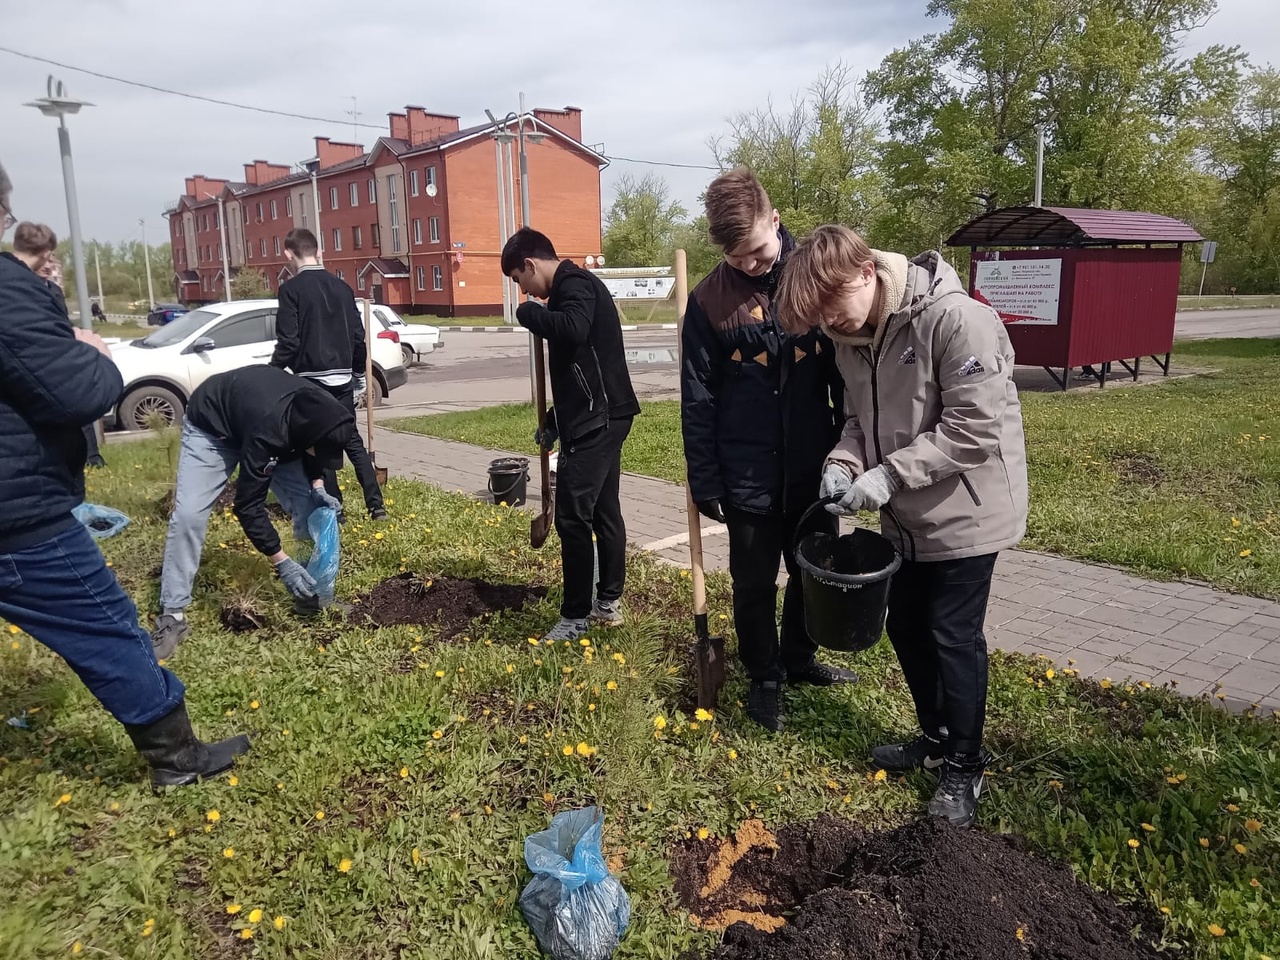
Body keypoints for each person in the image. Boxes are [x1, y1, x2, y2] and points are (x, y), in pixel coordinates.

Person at [0, 160, 249, 788]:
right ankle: (177, 757)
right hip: (17, 513)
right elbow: (77, 392)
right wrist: (92, 351)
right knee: (105, 626)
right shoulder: (6, 292)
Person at [776, 224, 1028, 828]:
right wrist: (844, 462)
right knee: (907, 626)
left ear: (865, 274)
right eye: (820, 322)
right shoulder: (851, 339)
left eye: (832, 311)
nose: (829, 327)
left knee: (950, 632)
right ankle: (936, 738)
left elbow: (974, 429)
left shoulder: (955, 320)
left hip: (970, 510)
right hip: (906, 517)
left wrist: (886, 478)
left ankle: (965, 764)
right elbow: (863, 421)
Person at [680, 168, 851, 734]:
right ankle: (764, 675)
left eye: (757, 252)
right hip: (745, 470)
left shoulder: (819, 276)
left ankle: (800, 659)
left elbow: (847, 377)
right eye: (738, 259)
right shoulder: (708, 301)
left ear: (775, 221)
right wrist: (705, 480)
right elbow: (698, 399)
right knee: (753, 582)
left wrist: (853, 451)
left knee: (813, 569)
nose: (751, 265)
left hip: (813, 463)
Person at [150, 365, 354, 657]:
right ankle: (173, 615)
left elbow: (314, 450)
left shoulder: (317, 412)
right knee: (189, 516)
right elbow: (247, 506)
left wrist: (318, 486)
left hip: (271, 426)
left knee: (311, 507)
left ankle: (312, 594)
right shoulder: (268, 432)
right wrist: (282, 562)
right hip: (213, 429)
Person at [501, 227, 640, 642]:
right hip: (599, 414)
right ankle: (608, 603)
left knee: (572, 515)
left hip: (600, 419)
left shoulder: (574, 283)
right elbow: (581, 361)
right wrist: (555, 419)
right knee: (603, 510)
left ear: (530, 264)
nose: (522, 289)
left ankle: (575, 616)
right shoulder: (570, 287)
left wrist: (529, 315)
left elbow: (574, 329)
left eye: (518, 279)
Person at [272, 227, 386, 521]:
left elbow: (289, 342)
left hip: (311, 382)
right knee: (352, 441)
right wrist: (359, 375)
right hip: (342, 380)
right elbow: (358, 336)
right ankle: (377, 506)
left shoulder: (290, 290)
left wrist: (269, 374)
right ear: (319, 251)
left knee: (320, 445)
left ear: (288, 254)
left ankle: (338, 511)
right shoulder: (343, 288)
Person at [11, 223, 107, 469]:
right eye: (45, 256)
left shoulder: (52, 290)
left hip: (59, 356)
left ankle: (92, 458)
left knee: (77, 407)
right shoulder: (15, 289)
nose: (48, 263)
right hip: (32, 362)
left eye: (51, 258)